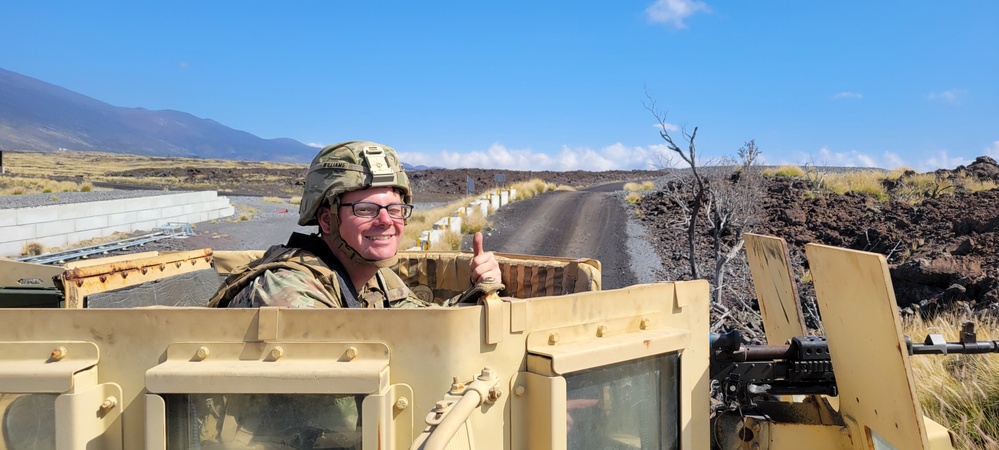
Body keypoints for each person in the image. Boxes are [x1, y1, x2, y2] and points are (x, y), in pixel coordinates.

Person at [208, 140, 502, 309]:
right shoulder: (287, 292)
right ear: (327, 219)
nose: (386, 221)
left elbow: (424, 326)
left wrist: (478, 291)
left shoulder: (376, 277)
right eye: (366, 209)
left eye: (395, 208)